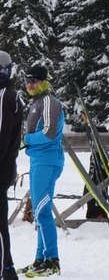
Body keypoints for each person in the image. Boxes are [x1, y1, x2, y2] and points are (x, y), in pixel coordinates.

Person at [21, 64, 64, 278]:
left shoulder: (49, 102)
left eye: (34, 80)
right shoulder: (38, 102)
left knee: (42, 212)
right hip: (38, 160)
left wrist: (26, 139)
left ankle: (52, 261)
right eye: (27, 80)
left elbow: (48, 134)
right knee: (40, 212)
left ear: (44, 82)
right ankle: (40, 259)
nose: (30, 84)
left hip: (47, 161)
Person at [0, 52, 23, 280]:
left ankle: (4, 269)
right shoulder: (9, 95)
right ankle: (8, 268)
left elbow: (2, 137)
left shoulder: (5, 96)